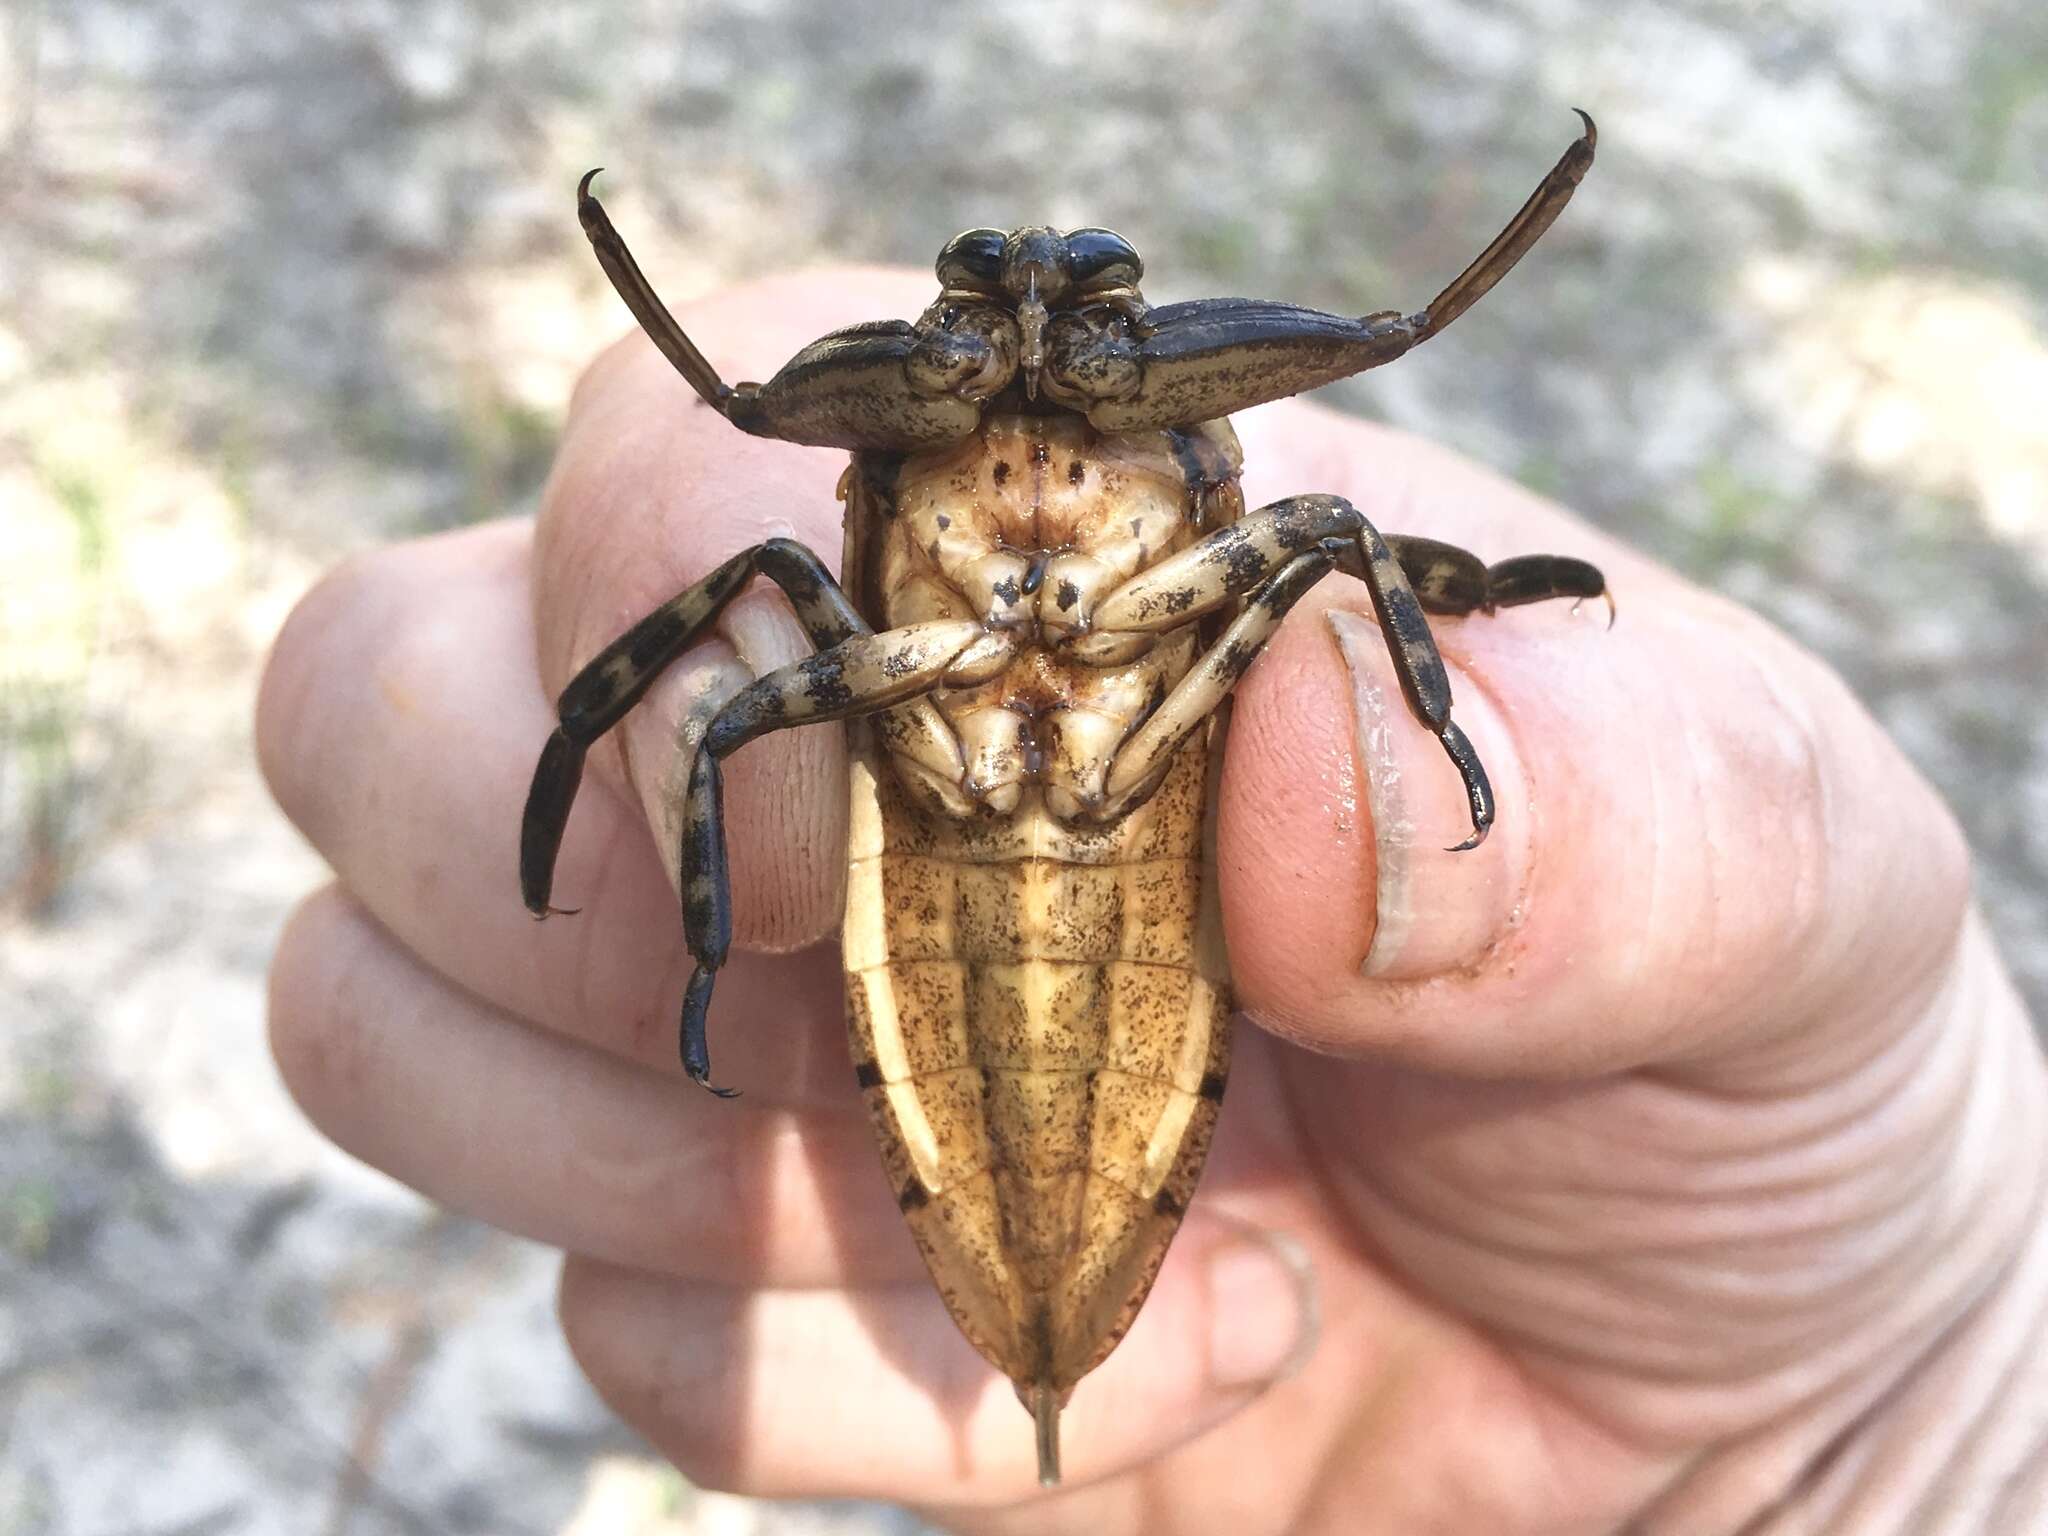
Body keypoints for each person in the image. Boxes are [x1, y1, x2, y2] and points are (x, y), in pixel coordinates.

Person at [256, 270, 2047, 1533]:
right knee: (732, 675)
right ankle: (722, 958)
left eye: (1088, 331)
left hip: (1143, 879)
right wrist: (651, 833)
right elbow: (732, 505)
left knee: (1310, 542)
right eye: (980, 336)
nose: (1030, 403)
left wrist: (1453, 607)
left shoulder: (1243, 526)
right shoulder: (848, 535)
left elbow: (1330, 536)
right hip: (964, 882)